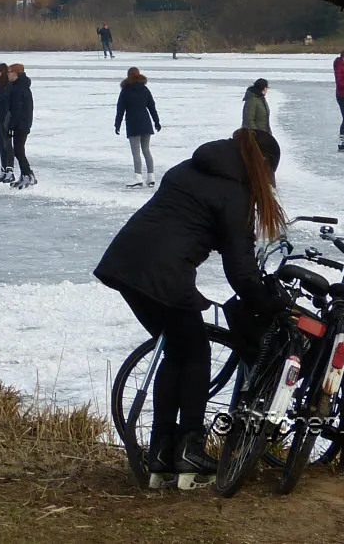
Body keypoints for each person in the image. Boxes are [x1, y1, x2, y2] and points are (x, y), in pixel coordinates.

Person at [93, 128, 292, 488]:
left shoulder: (190, 168)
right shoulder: (236, 193)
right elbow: (241, 271)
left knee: (177, 352)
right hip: (163, 275)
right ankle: (189, 451)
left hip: (126, 264)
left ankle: (161, 453)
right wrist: (270, 304)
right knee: (196, 351)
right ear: (261, 166)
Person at [114, 67, 161, 187]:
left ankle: (138, 176)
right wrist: (156, 122)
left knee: (136, 152)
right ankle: (151, 176)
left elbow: (120, 109)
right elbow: (152, 107)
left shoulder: (125, 91)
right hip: (146, 123)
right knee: (146, 150)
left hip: (133, 124)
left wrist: (117, 124)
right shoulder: (145, 89)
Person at [6, 63, 36, 189]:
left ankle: (28, 175)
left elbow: (17, 110)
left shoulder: (19, 89)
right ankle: (25, 175)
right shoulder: (19, 86)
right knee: (18, 150)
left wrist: (11, 126)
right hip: (22, 123)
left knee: (18, 151)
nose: (7, 74)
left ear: (15, 73)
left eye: (9, 72)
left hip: (21, 124)